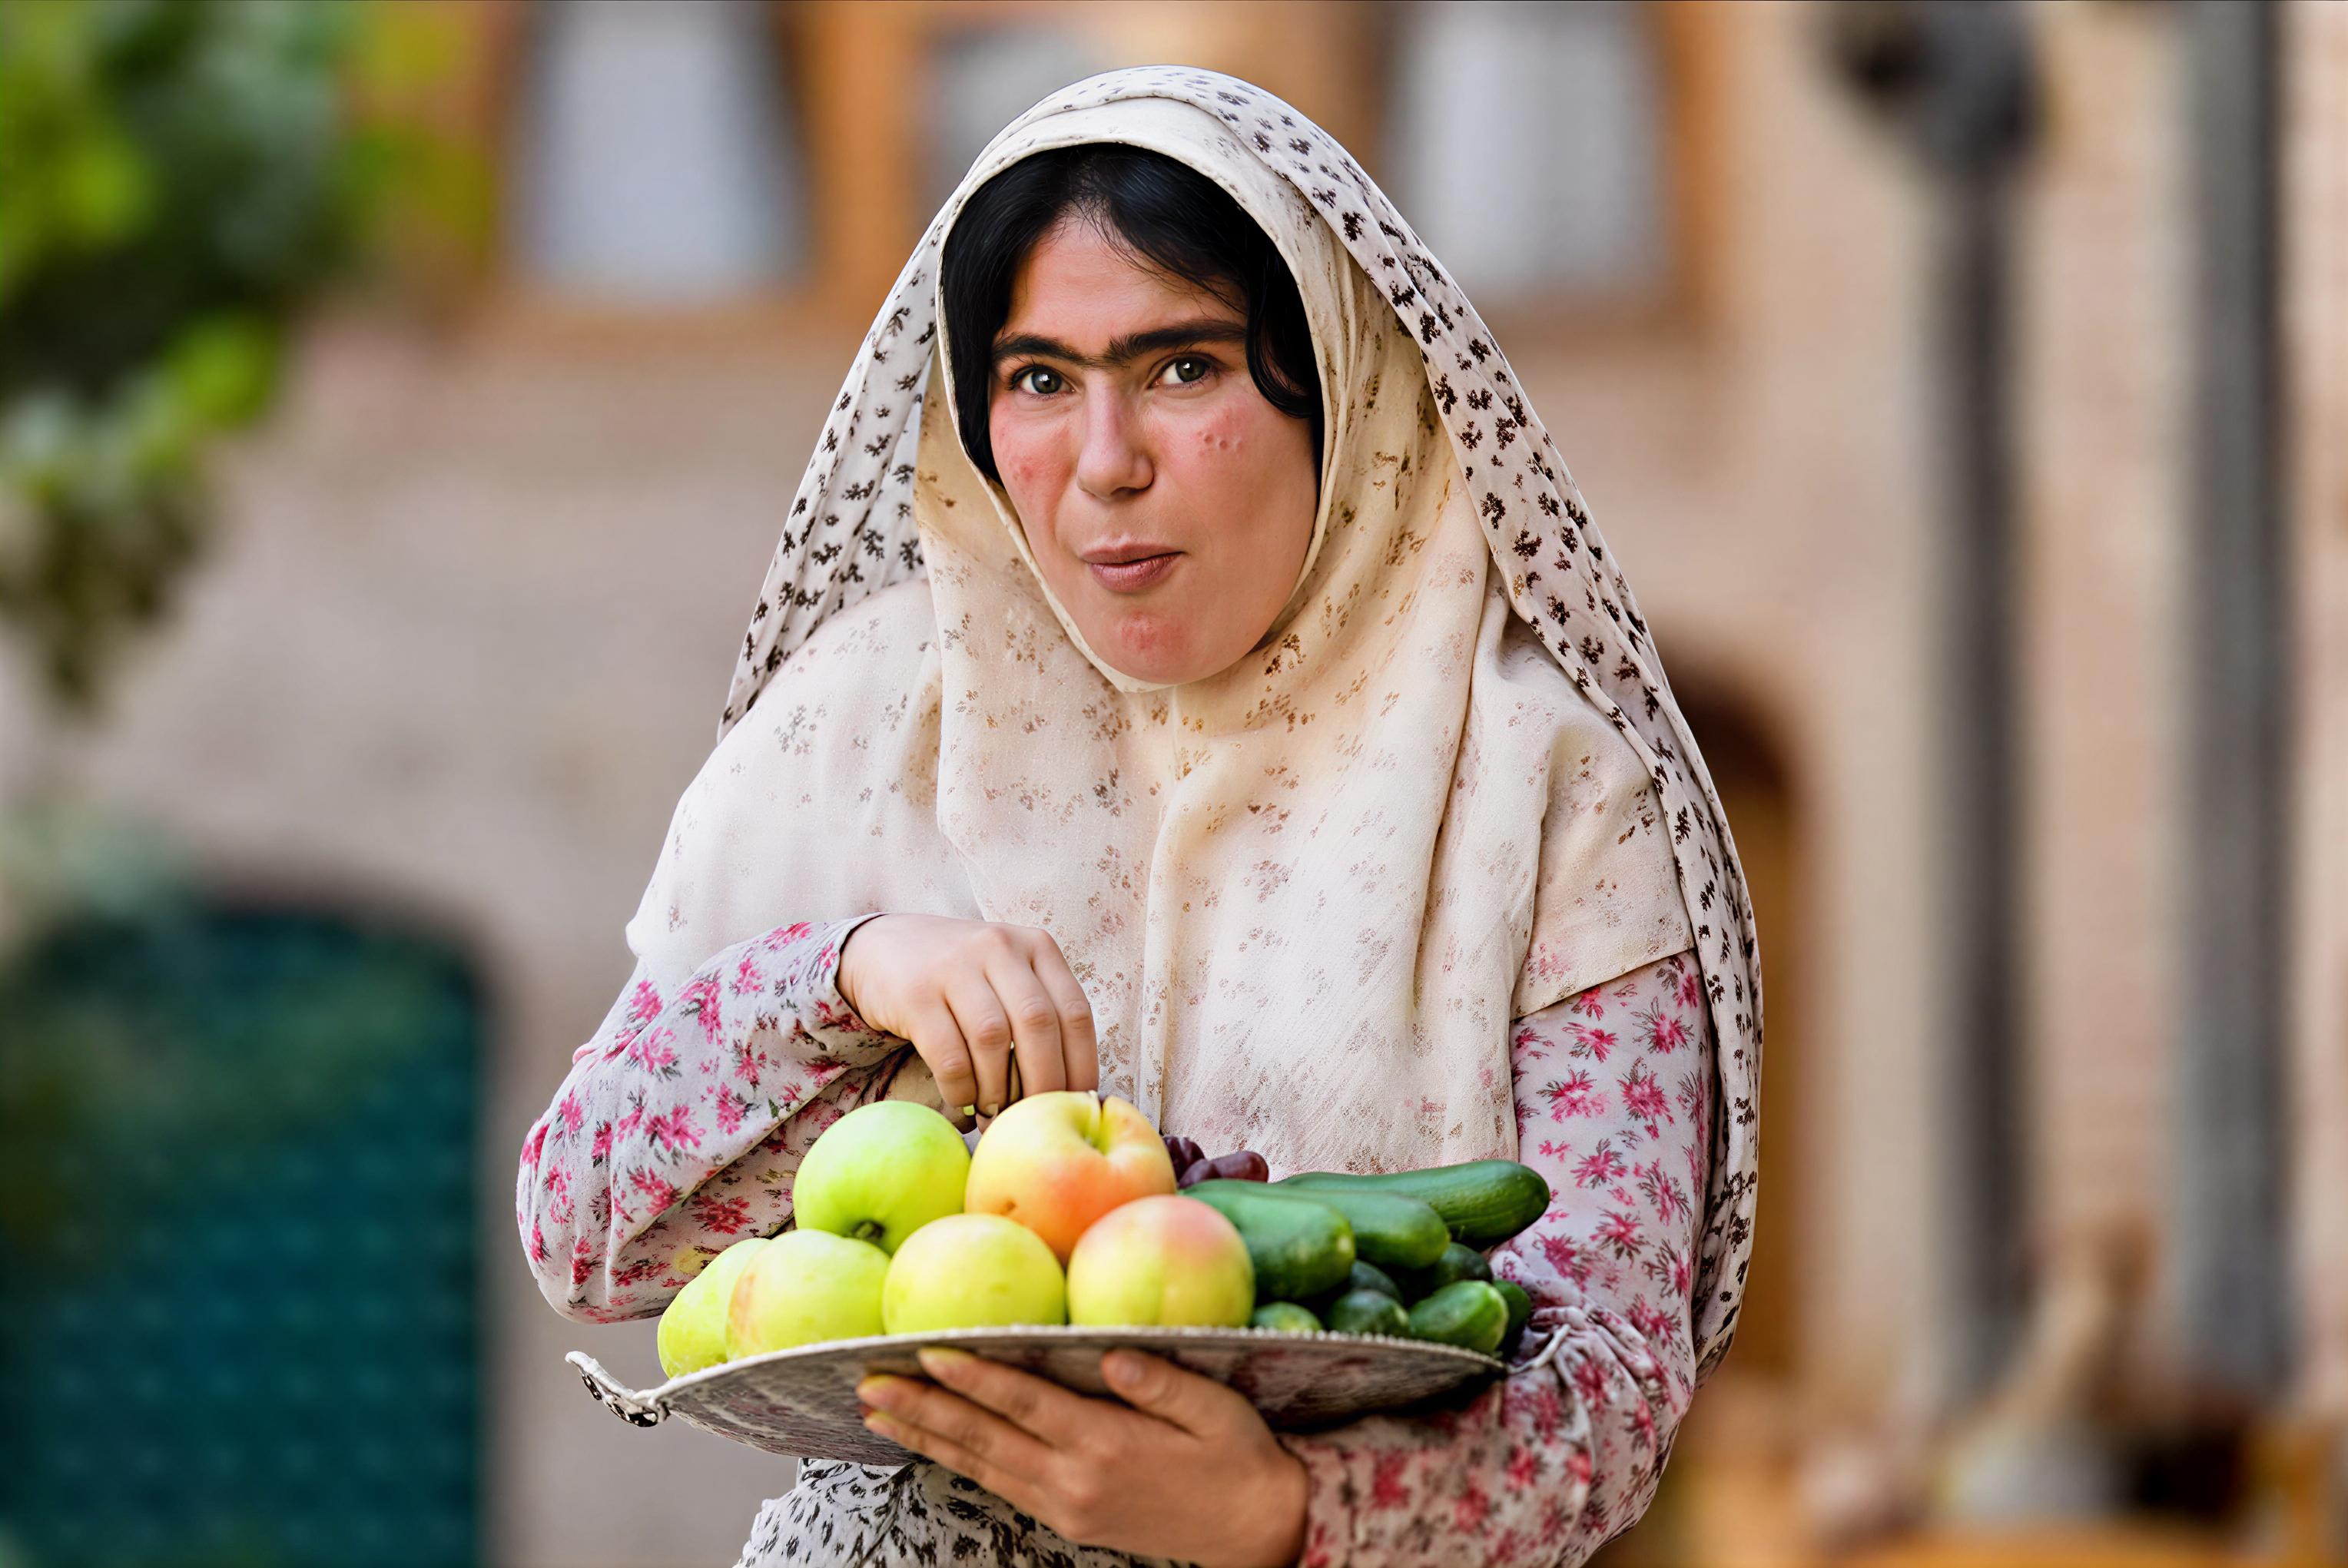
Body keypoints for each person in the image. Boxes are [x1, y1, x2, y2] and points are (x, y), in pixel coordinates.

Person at [517, 65, 1762, 1568]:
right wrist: (844, 977)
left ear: (1340, 380)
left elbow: (1615, 1383)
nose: (1104, 463)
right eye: (1039, 378)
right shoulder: (865, 722)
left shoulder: (1543, 788)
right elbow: (585, 1237)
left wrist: (1284, 1516)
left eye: (1182, 369)